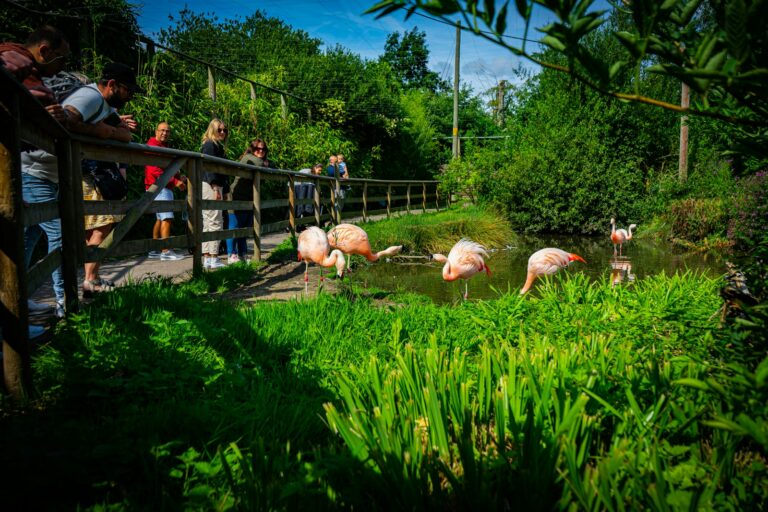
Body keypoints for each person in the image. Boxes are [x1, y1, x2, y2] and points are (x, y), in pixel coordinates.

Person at [1, 26, 69, 337]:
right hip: (23, 169)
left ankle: (15, 311)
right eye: (60, 58)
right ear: (44, 50)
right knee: (56, 233)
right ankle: (64, 302)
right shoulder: (15, 59)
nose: (61, 67)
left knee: (23, 236)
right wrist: (41, 110)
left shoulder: (25, 66)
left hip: (19, 166)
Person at [64, 62, 142, 296]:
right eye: (127, 91)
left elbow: (127, 135)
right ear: (112, 85)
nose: (129, 97)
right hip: (85, 172)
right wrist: (104, 131)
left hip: (83, 170)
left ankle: (92, 277)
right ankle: (89, 280)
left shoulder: (105, 106)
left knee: (98, 226)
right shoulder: (92, 98)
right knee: (100, 225)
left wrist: (113, 129)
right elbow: (67, 119)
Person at [145, 122, 186, 261]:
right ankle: (165, 251)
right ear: (156, 131)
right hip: (160, 186)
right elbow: (155, 171)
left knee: (159, 218)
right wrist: (175, 182)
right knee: (167, 218)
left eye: (168, 131)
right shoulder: (153, 146)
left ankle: (154, 249)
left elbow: (165, 168)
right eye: (162, 130)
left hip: (160, 186)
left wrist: (178, 176)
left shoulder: (163, 147)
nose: (165, 133)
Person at [227, 139, 267, 262]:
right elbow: (260, 164)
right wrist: (266, 163)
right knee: (235, 226)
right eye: (257, 149)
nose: (260, 151)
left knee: (245, 227)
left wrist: (268, 163)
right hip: (236, 196)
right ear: (252, 149)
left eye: (263, 149)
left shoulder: (259, 159)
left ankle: (242, 254)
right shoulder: (248, 158)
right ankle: (231, 254)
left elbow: (272, 165)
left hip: (250, 198)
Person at [200, 118, 230, 269]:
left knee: (208, 221)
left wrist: (225, 189)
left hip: (211, 185)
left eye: (225, 130)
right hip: (211, 185)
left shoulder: (216, 146)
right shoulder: (210, 145)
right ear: (212, 129)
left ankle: (207, 258)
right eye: (220, 130)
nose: (223, 132)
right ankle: (213, 257)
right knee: (215, 221)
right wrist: (216, 188)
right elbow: (210, 167)